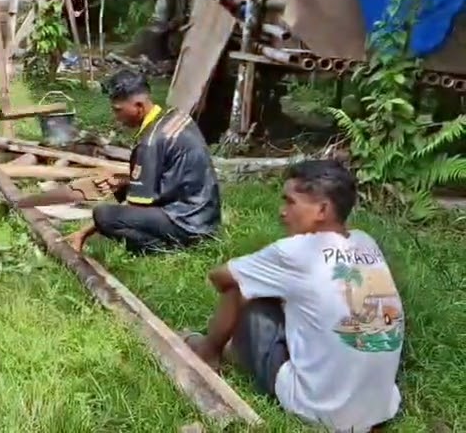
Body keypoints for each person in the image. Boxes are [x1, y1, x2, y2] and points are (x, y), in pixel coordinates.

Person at [186, 160, 402, 432]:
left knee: (246, 292)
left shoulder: (297, 252)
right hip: (379, 407)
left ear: (322, 209)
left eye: (290, 202)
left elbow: (221, 277)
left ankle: (209, 353)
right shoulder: (365, 241)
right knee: (291, 296)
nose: (282, 212)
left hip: (321, 409)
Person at [67, 69, 220, 254]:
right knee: (124, 189)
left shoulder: (150, 143)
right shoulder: (176, 116)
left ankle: (164, 248)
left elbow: (137, 205)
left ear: (139, 106)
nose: (116, 117)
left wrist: (83, 233)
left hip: (187, 223)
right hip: (206, 216)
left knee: (103, 215)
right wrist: (122, 182)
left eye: (118, 110)